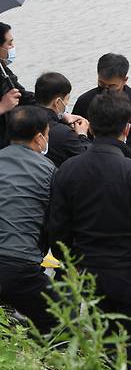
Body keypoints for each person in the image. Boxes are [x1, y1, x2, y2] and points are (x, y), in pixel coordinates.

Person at [49, 90, 131, 370]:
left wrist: (73, 263)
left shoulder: (67, 170)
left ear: (88, 124)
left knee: (103, 351)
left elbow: (56, 228)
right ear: (127, 129)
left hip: (91, 275)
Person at [0, 106, 59, 334]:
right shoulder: (49, 170)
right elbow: (56, 224)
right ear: (39, 137)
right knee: (62, 317)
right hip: (18, 267)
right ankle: (47, 365)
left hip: (14, 265)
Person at [34, 72, 91, 167]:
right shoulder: (64, 133)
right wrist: (82, 136)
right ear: (58, 102)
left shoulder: (24, 119)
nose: (67, 103)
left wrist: (61, 117)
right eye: (67, 99)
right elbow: (89, 159)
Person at [0, 22, 33, 148]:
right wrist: (2, 106)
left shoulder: (2, 69)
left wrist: (55, 111)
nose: (12, 46)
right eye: (9, 43)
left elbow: (22, 95)